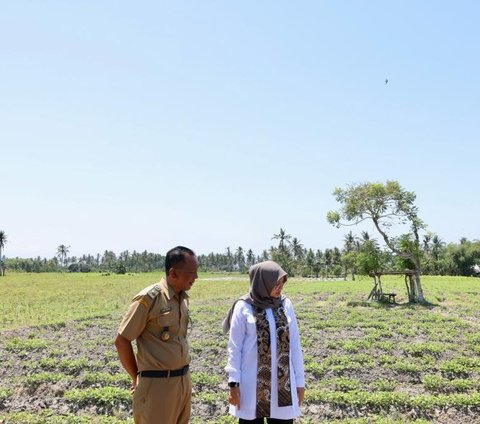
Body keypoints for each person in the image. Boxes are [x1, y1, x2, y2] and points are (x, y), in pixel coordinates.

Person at [115, 246, 198, 424]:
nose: (196, 277)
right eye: (192, 272)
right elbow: (122, 340)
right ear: (173, 273)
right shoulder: (149, 299)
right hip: (157, 388)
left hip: (182, 383)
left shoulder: (182, 299)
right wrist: (136, 376)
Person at [223, 260, 305, 424]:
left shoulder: (285, 304)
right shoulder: (243, 306)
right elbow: (234, 348)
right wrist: (233, 384)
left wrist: (300, 382)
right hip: (251, 388)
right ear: (262, 282)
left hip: (282, 387)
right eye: (275, 283)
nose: (280, 287)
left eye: (282, 283)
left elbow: (294, 345)